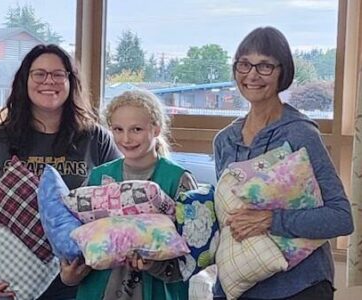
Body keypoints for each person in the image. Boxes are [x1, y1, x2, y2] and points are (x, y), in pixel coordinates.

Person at [0, 44, 121, 300]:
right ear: (24, 81)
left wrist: (89, 262)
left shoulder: (96, 139)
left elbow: (118, 204)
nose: (49, 81)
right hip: (14, 281)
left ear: (71, 82)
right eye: (39, 74)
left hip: (84, 281)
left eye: (58, 74)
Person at [213, 26, 354, 299]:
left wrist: (270, 220)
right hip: (240, 284)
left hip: (300, 286)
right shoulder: (225, 141)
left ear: (283, 72)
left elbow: (340, 218)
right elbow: (227, 220)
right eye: (244, 64)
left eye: (265, 66)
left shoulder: (300, 133)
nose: (252, 74)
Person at [61, 89, 197, 300]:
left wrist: (155, 264)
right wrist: (69, 275)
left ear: (156, 129)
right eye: (118, 129)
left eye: (136, 129)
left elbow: (193, 254)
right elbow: (79, 239)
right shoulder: (99, 177)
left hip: (158, 292)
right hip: (100, 291)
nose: (126, 138)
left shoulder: (178, 180)